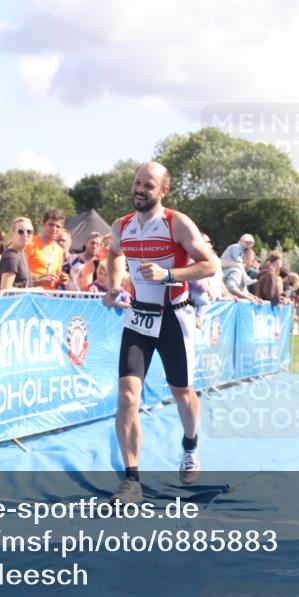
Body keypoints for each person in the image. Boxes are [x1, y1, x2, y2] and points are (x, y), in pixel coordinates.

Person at [101, 161, 217, 505]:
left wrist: (168, 275)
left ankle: (191, 443)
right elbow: (113, 253)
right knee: (126, 398)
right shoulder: (121, 225)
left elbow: (211, 264)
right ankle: (132, 480)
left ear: (162, 191)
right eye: (137, 183)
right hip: (138, 318)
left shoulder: (176, 223)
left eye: (148, 185)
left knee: (182, 394)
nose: (139, 189)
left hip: (173, 317)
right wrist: (112, 286)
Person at [25, 209, 69, 289]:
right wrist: (41, 278)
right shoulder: (30, 243)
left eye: (58, 226)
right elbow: (20, 273)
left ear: (61, 229)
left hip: (49, 297)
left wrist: (62, 278)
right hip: (30, 295)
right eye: (51, 225)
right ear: (43, 225)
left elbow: (56, 276)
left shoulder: (59, 250)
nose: (54, 229)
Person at [0, 217, 34, 290]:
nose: (25, 234)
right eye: (21, 231)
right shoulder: (11, 256)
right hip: (14, 301)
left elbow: (22, 283)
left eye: (29, 232)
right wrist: (34, 290)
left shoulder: (21, 253)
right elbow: (6, 289)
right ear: (13, 234)